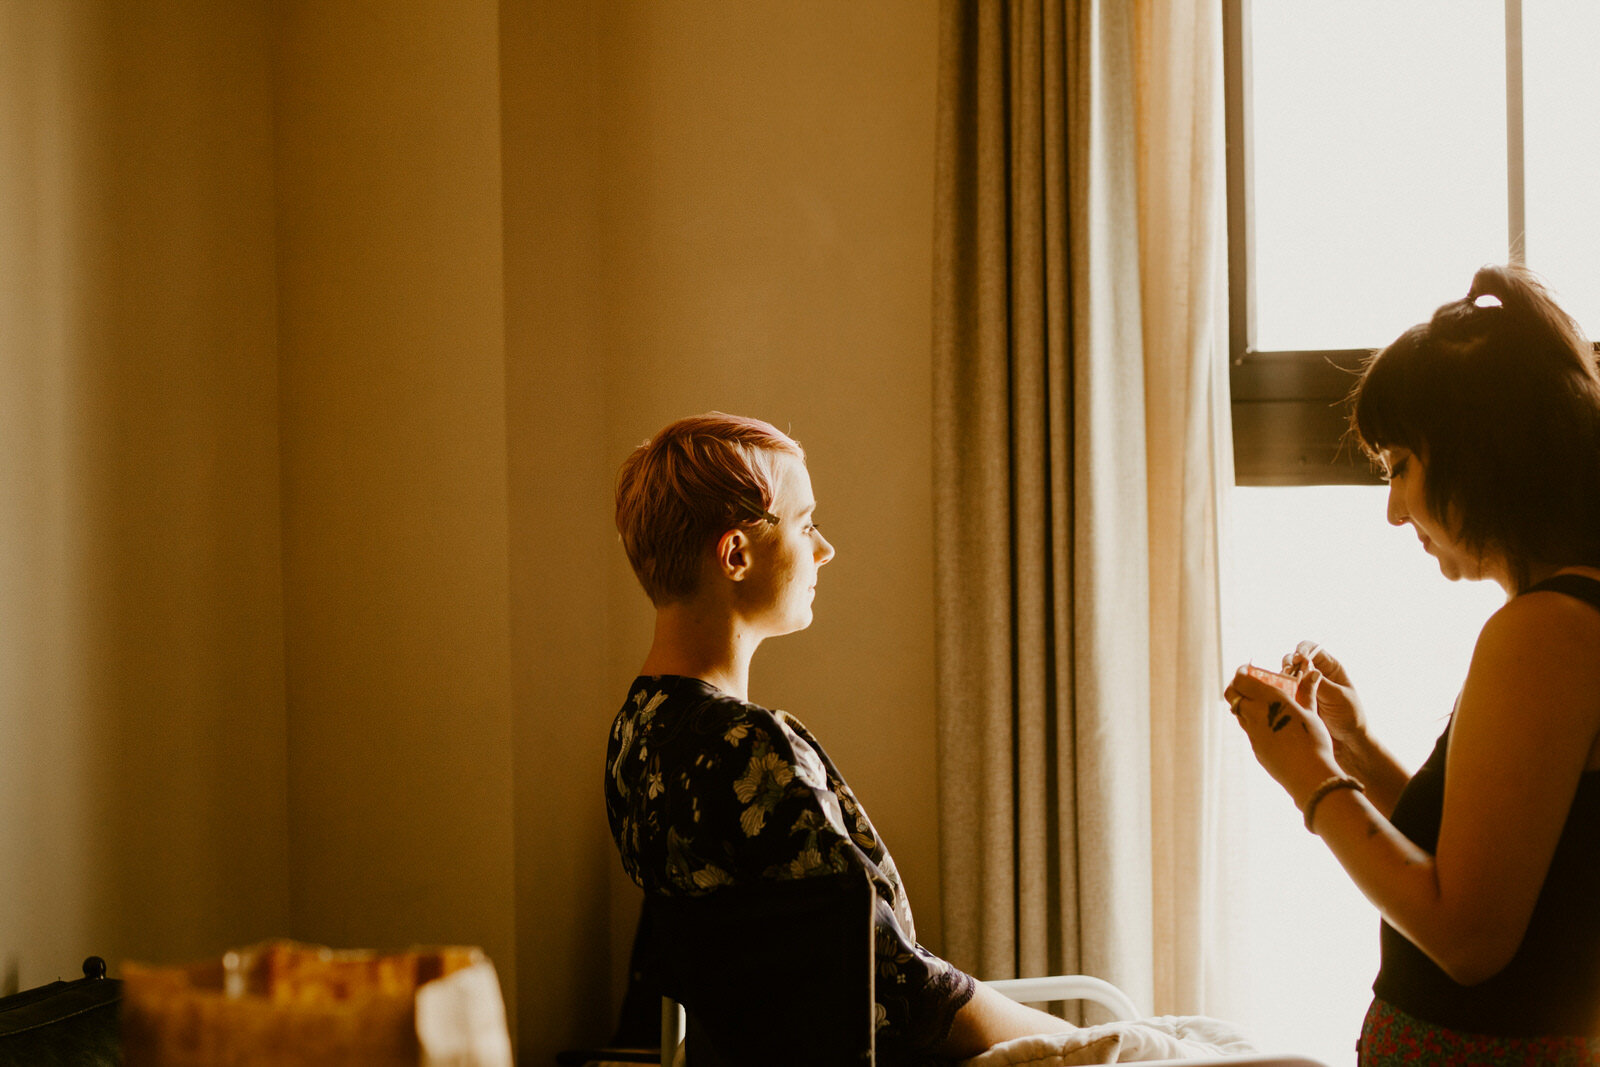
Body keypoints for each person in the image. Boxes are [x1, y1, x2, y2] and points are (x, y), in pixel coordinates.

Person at [605, 412, 1075, 1064]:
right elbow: (901, 990)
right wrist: (1081, 1043)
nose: (824, 549)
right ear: (736, 552)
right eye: (805, 523)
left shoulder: (635, 733)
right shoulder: (747, 751)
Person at [1224, 265, 1600, 1063]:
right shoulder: (1570, 619)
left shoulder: (1541, 632)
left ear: (1476, 454)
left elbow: (1467, 937)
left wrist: (1310, 780)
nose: (1394, 510)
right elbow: (1480, 865)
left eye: (1399, 464)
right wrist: (1355, 745)